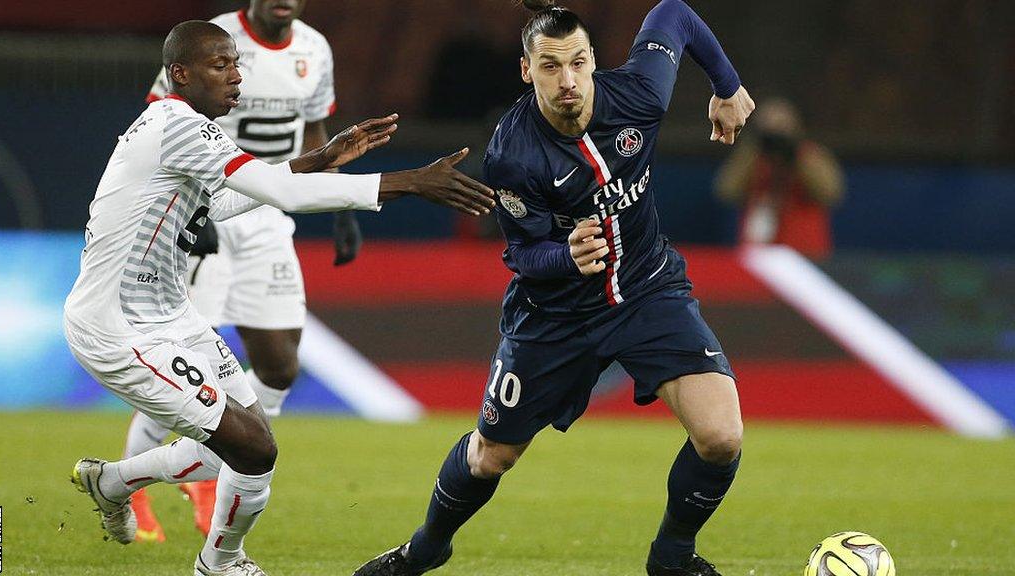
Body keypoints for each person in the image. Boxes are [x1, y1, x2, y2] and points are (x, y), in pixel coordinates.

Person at [65, 20, 494, 576]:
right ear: (180, 73)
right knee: (254, 451)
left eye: (237, 64)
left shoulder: (183, 128)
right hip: (118, 327)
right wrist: (406, 181)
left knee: (250, 438)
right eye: (221, 66)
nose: (236, 78)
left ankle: (112, 481)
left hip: (170, 316)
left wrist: (317, 158)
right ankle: (221, 563)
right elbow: (281, 194)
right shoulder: (178, 127)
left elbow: (218, 207)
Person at [352, 1, 753, 575]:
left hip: (646, 290)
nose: (568, 81)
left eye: (578, 63)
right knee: (493, 456)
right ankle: (425, 548)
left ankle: (672, 557)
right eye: (549, 67)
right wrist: (566, 255)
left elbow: (674, 12)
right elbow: (522, 254)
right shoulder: (513, 151)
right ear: (526, 70)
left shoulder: (638, 93)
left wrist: (727, 85)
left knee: (722, 437)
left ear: (593, 61)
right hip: (555, 315)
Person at [127, 0, 359, 541]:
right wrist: (190, 205)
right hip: (207, 208)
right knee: (184, 366)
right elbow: (158, 119)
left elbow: (313, 131)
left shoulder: (314, 49)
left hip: (271, 216)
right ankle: (135, 489)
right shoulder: (211, 41)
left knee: (279, 366)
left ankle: (207, 466)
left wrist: (339, 207)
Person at [714, 98, 844, 259]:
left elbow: (830, 193)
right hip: (759, 254)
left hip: (805, 254)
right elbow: (726, 190)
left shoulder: (811, 155)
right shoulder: (752, 157)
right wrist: (754, 147)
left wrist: (795, 151)